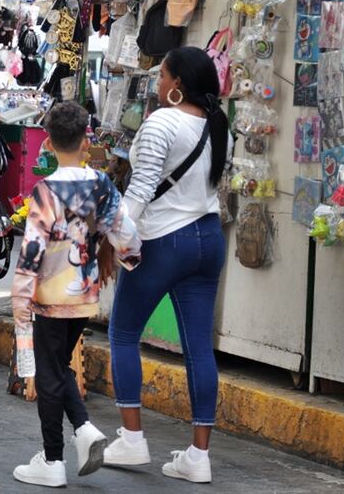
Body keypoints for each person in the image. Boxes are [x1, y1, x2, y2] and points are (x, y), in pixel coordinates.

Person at [104, 46, 233, 484]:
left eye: (161, 77)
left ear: (176, 84)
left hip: (163, 240)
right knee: (199, 346)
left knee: (123, 333)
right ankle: (199, 456)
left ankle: (132, 438)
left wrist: (116, 236)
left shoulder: (162, 121)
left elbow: (140, 190)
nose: (157, 84)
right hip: (208, 238)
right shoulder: (218, 124)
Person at [11, 101, 140, 489]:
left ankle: (52, 460)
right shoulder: (101, 184)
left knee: (50, 374)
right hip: (85, 294)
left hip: (50, 296)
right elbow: (127, 235)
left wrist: (20, 302)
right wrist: (129, 260)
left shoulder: (45, 190)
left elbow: (31, 252)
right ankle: (83, 430)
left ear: (47, 143)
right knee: (58, 365)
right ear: (87, 140)